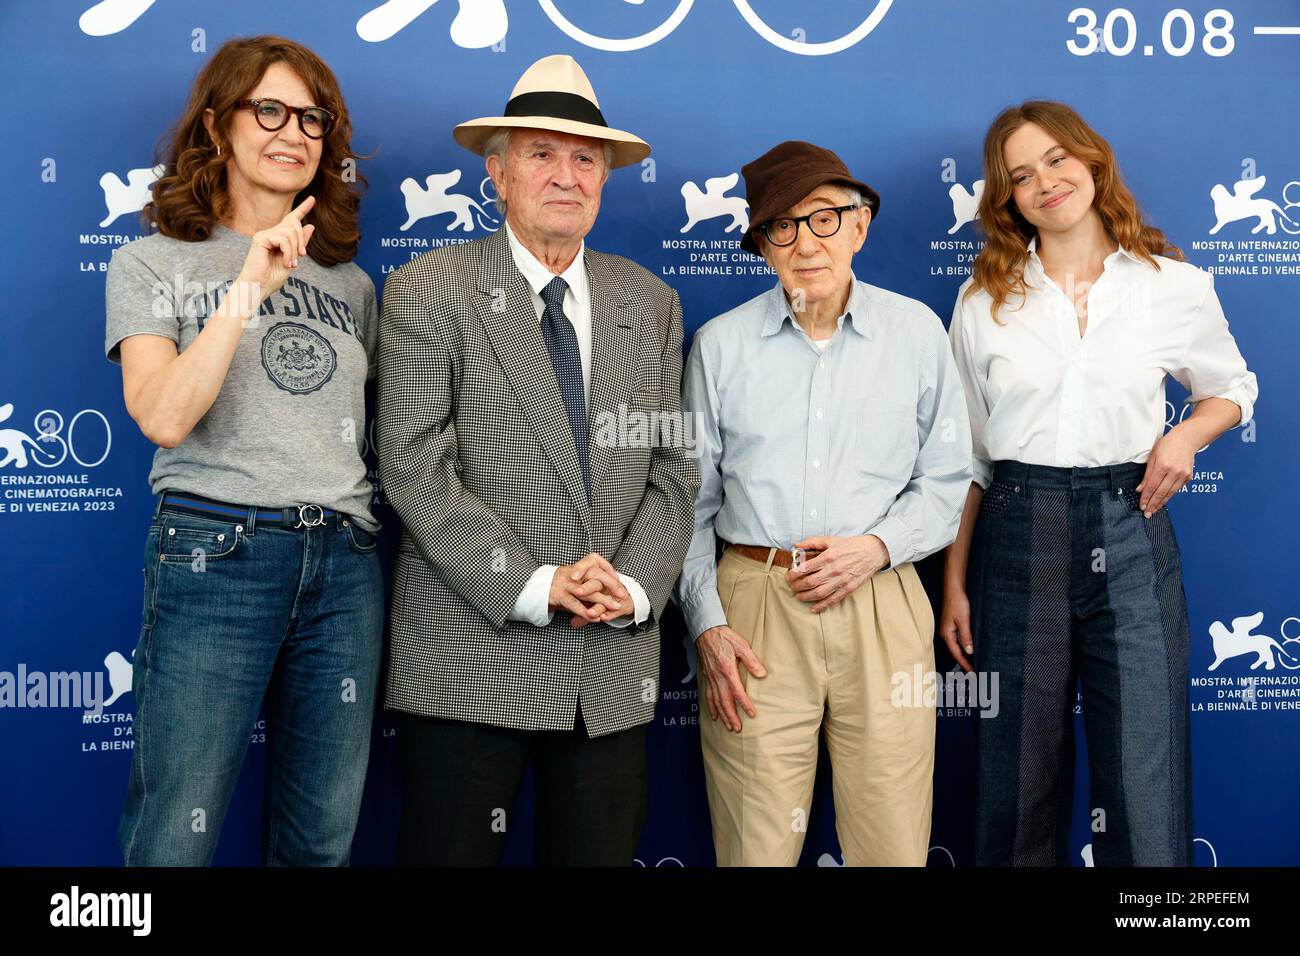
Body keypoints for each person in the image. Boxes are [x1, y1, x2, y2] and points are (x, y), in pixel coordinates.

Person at [378, 54, 699, 866]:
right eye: (540, 154)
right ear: (497, 173)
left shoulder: (651, 302)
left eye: (585, 157)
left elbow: (671, 472)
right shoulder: (427, 288)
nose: (566, 175)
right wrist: (531, 582)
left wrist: (628, 586)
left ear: (606, 177)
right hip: (468, 658)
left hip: (608, 664)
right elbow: (414, 463)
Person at [941, 101, 1258, 866]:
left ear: (1090, 161)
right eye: (1020, 175)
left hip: (1131, 524)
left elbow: (1233, 386)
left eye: (1055, 160)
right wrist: (954, 584)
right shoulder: (984, 299)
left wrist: (1185, 434)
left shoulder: (1172, 284)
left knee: (1146, 782)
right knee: (1013, 788)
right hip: (1017, 534)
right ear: (1006, 198)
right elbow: (967, 460)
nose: (1044, 182)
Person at [105, 36, 382, 866]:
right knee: (172, 837)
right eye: (270, 109)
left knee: (320, 843)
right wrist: (246, 290)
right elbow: (162, 416)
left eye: (313, 118)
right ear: (219, 125)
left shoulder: (351, 284)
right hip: (216, 552)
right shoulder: (151, 261)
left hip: (345, 565)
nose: (294, 132)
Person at [675, 141, 973, 866]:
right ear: (761, 245)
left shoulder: (916, 335)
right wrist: (709, 625)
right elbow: (687, 502)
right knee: (755, 847)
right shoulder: (719, 347)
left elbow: (947, 479)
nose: (806, 241)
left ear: (861, 225)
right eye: (783, 225)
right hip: (754, 610)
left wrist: (873, 548)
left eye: (826, 218)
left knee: (892, 841)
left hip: (882, 598)